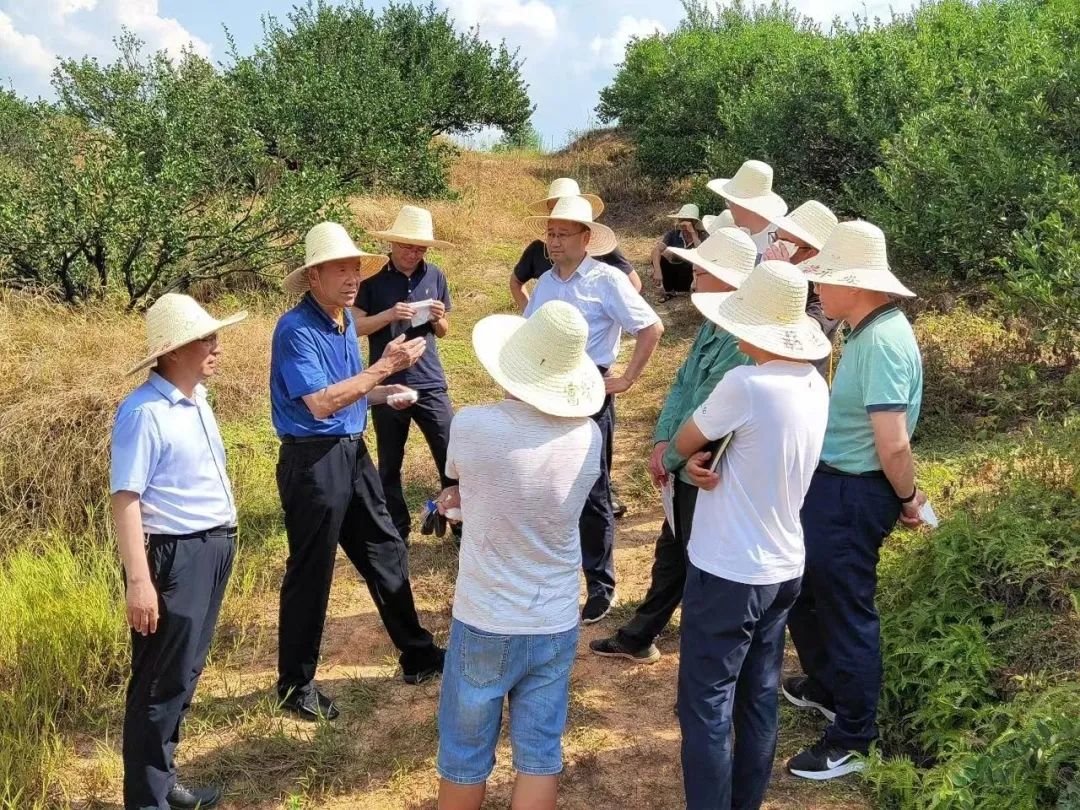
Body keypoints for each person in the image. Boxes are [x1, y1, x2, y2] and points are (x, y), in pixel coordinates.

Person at [673, 260, 832, 810]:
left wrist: (683, 458)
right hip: (784, 562)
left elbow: (687, 436)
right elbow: (749, 454)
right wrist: (700, 463)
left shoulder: (745, 383)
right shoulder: (813, 381)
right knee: (759, 695)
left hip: (729, 567)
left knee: (705, 704)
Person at [433, 300, 604, 810]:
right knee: (539, 753)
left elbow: (460, 480)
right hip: (553, 615)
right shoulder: (589, 434)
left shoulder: (473, 425)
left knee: (464, 753)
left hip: (486, 614)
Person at [272, 221, 445, 722]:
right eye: (339, 269)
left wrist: (381, 393)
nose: (352, 277)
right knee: (312, 572)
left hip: (351, 451)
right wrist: (385, 369)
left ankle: (416, 654)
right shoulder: (296, 329)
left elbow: (347, 390)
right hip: (312, 460)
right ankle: (294, 685)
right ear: (312, 277)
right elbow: (322, 403)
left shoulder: (343, 319)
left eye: (355, 267)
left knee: (386, 547)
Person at [784, 220, 925, 780]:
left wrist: (909, 498)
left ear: (855, 284)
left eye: (825, 279)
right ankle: (827, 685)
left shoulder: (885, 341)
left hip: (855, 492)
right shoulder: (865, 330)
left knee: (847, 611)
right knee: (807, 592)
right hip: (834, 485)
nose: (817, 289)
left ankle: (853, 736)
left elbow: (893, 443)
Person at [589, 227, 758, 664]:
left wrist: (674, 453)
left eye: (703, 267)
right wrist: (664, 439)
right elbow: (683, 384)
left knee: (694, 557)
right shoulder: (713, 323)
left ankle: (704, 648)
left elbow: (709, 407)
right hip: (687, 459)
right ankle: (640, 634)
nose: (695, 273)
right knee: (674, 549)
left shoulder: (742, 337)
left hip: (707, 464)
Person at [111, 293, 247, 810]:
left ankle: (164, 780)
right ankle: (147, 800)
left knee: (184, 674)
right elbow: (126, 497)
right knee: (157, 685)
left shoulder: (197, 400)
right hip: (175, 557)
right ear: (172, 352)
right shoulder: (143, 412)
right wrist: (139, 580)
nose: (216, 347)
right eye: (205, 339)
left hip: (212, 549)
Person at [524, 195, 664, 623]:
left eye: (562, 234)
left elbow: (651, 328)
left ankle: (600, 586)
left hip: (590, 387)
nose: (553, 241)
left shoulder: (606, 280)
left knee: (592, 488)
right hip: (547, 387)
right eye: (550, 233)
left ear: (586, 238)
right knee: (549, 482)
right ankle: (554, 578)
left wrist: (625, 379)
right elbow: (528, 333)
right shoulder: (545, 283)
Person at [353, 205, 460, 545]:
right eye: (408, 246)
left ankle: (459, 523)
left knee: (452, 458)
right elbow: (354, 326)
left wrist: (437, 316)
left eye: (420, 248)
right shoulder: (371, 277)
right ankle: (396, 531)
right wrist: (388, 314)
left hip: (430, 381)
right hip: (386, 383)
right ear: (394, 244)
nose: (414, 253)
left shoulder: (435, 276)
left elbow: (443, 331)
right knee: (390, 463)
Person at [510, 177, 641, 312]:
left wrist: (609, 319)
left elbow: (634, 283)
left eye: (565, 204)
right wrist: (530, 316)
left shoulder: (605, 255)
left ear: (586, 238)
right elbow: (515, 282)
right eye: (553, 208)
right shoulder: (537, 252)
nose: (559, 212)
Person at [762, 200, 841, 377]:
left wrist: (784, 282)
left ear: (812, 253)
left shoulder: (825, 292)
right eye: (775, 239)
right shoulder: (766, 273)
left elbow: (807, 332)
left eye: (784, 243)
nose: (775, 247)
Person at [707, 160, 788, 259]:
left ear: (745, 206)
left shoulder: (784, 238)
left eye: (729, 201)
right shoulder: (739, 232)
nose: (729, 207)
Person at [651, 203, 708, 300]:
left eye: (687, 221)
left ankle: (684, 291)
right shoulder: (673, 234)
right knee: (663, 257)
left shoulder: (703, 236)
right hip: (675, 273)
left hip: (690, 276)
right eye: (681, 220)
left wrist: (693, 233)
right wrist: (657, 271)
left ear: (694, 223)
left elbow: (702, 254)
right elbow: (656, 250)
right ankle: (669, 289)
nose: (683, 225)